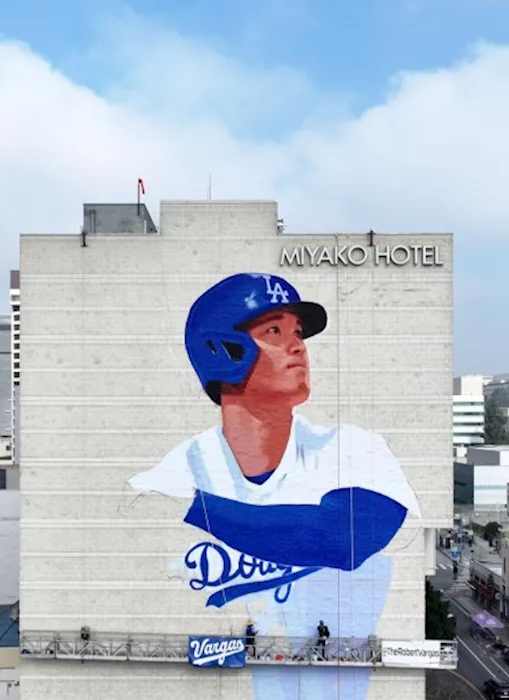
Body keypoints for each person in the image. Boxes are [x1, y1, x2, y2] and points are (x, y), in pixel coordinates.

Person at [129, 272, 422, 700]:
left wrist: (192, 509)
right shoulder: (172, 473)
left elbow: (347, 538)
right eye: (274, 330)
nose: (298, 345)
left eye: (298, 332)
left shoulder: (351, 447)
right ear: (223, 350)